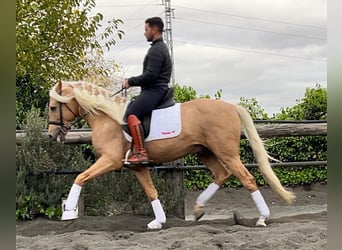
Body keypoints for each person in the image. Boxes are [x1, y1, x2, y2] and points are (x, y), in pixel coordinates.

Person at [122, 16, 172, 165]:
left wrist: (131, 81)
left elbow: (151, 75)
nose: (145, 33)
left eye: (146, 29)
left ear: (154, 29)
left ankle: (141, 152)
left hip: (155, 89)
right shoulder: (158, 47)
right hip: (155, 89)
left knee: (132, 114)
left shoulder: (157, 50)